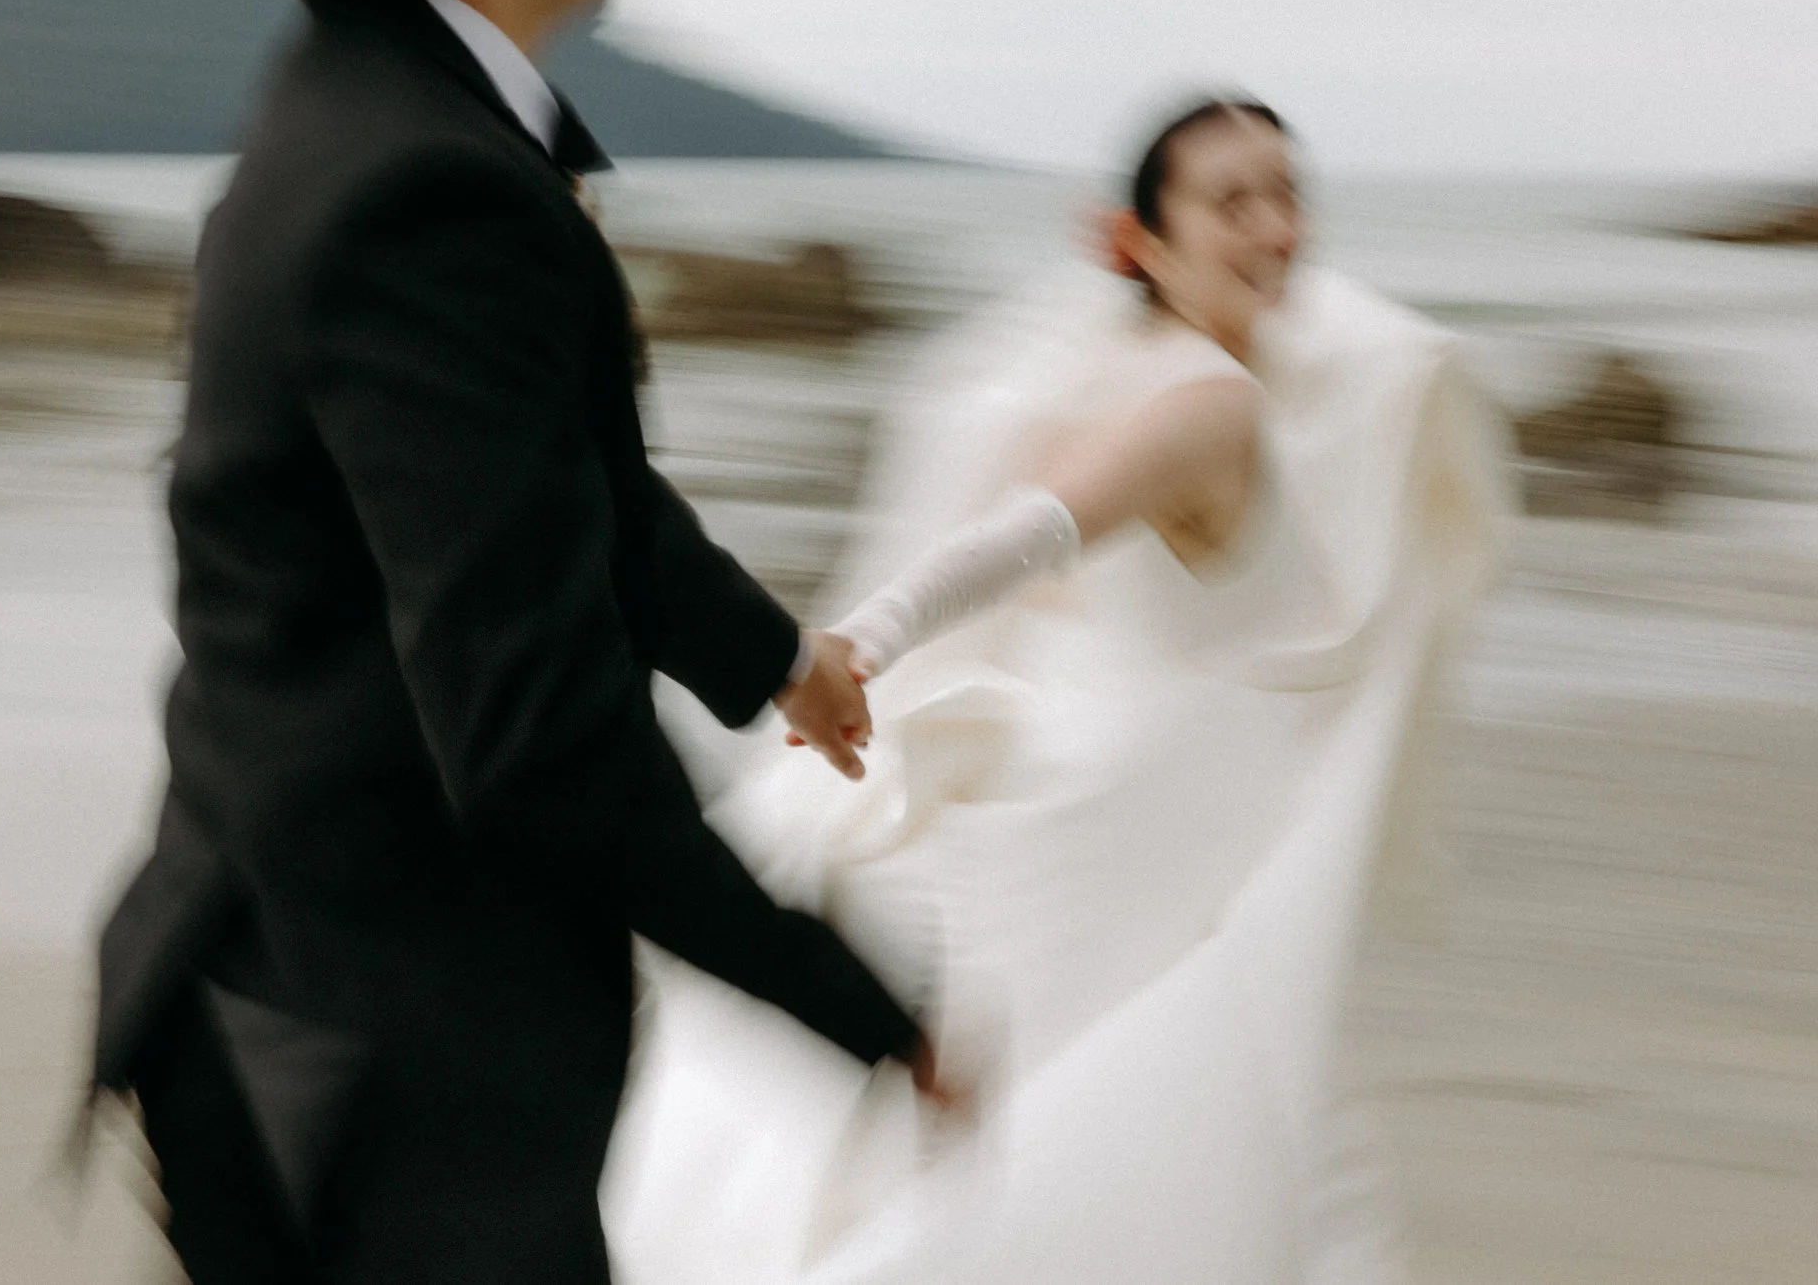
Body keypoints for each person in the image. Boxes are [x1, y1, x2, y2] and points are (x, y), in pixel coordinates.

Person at [85, 0, 949, 1280]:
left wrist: (772, 659)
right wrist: (857, 1004)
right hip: (370, 1059)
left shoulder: (352, 105)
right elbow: (536, 731)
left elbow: (556, 483)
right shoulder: (431, 183)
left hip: (277, 977)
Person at [604, 100, 1515, 1284]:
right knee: (1151, 1119)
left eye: (1287, 193)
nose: (1276, 229)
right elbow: (1029, 534)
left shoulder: (1106, 368)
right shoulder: (1211, 402)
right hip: (1145, 809)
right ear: (1140, 240)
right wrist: (859, 644)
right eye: (1232, 202)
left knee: (1108, 1110)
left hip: (1121, 771)